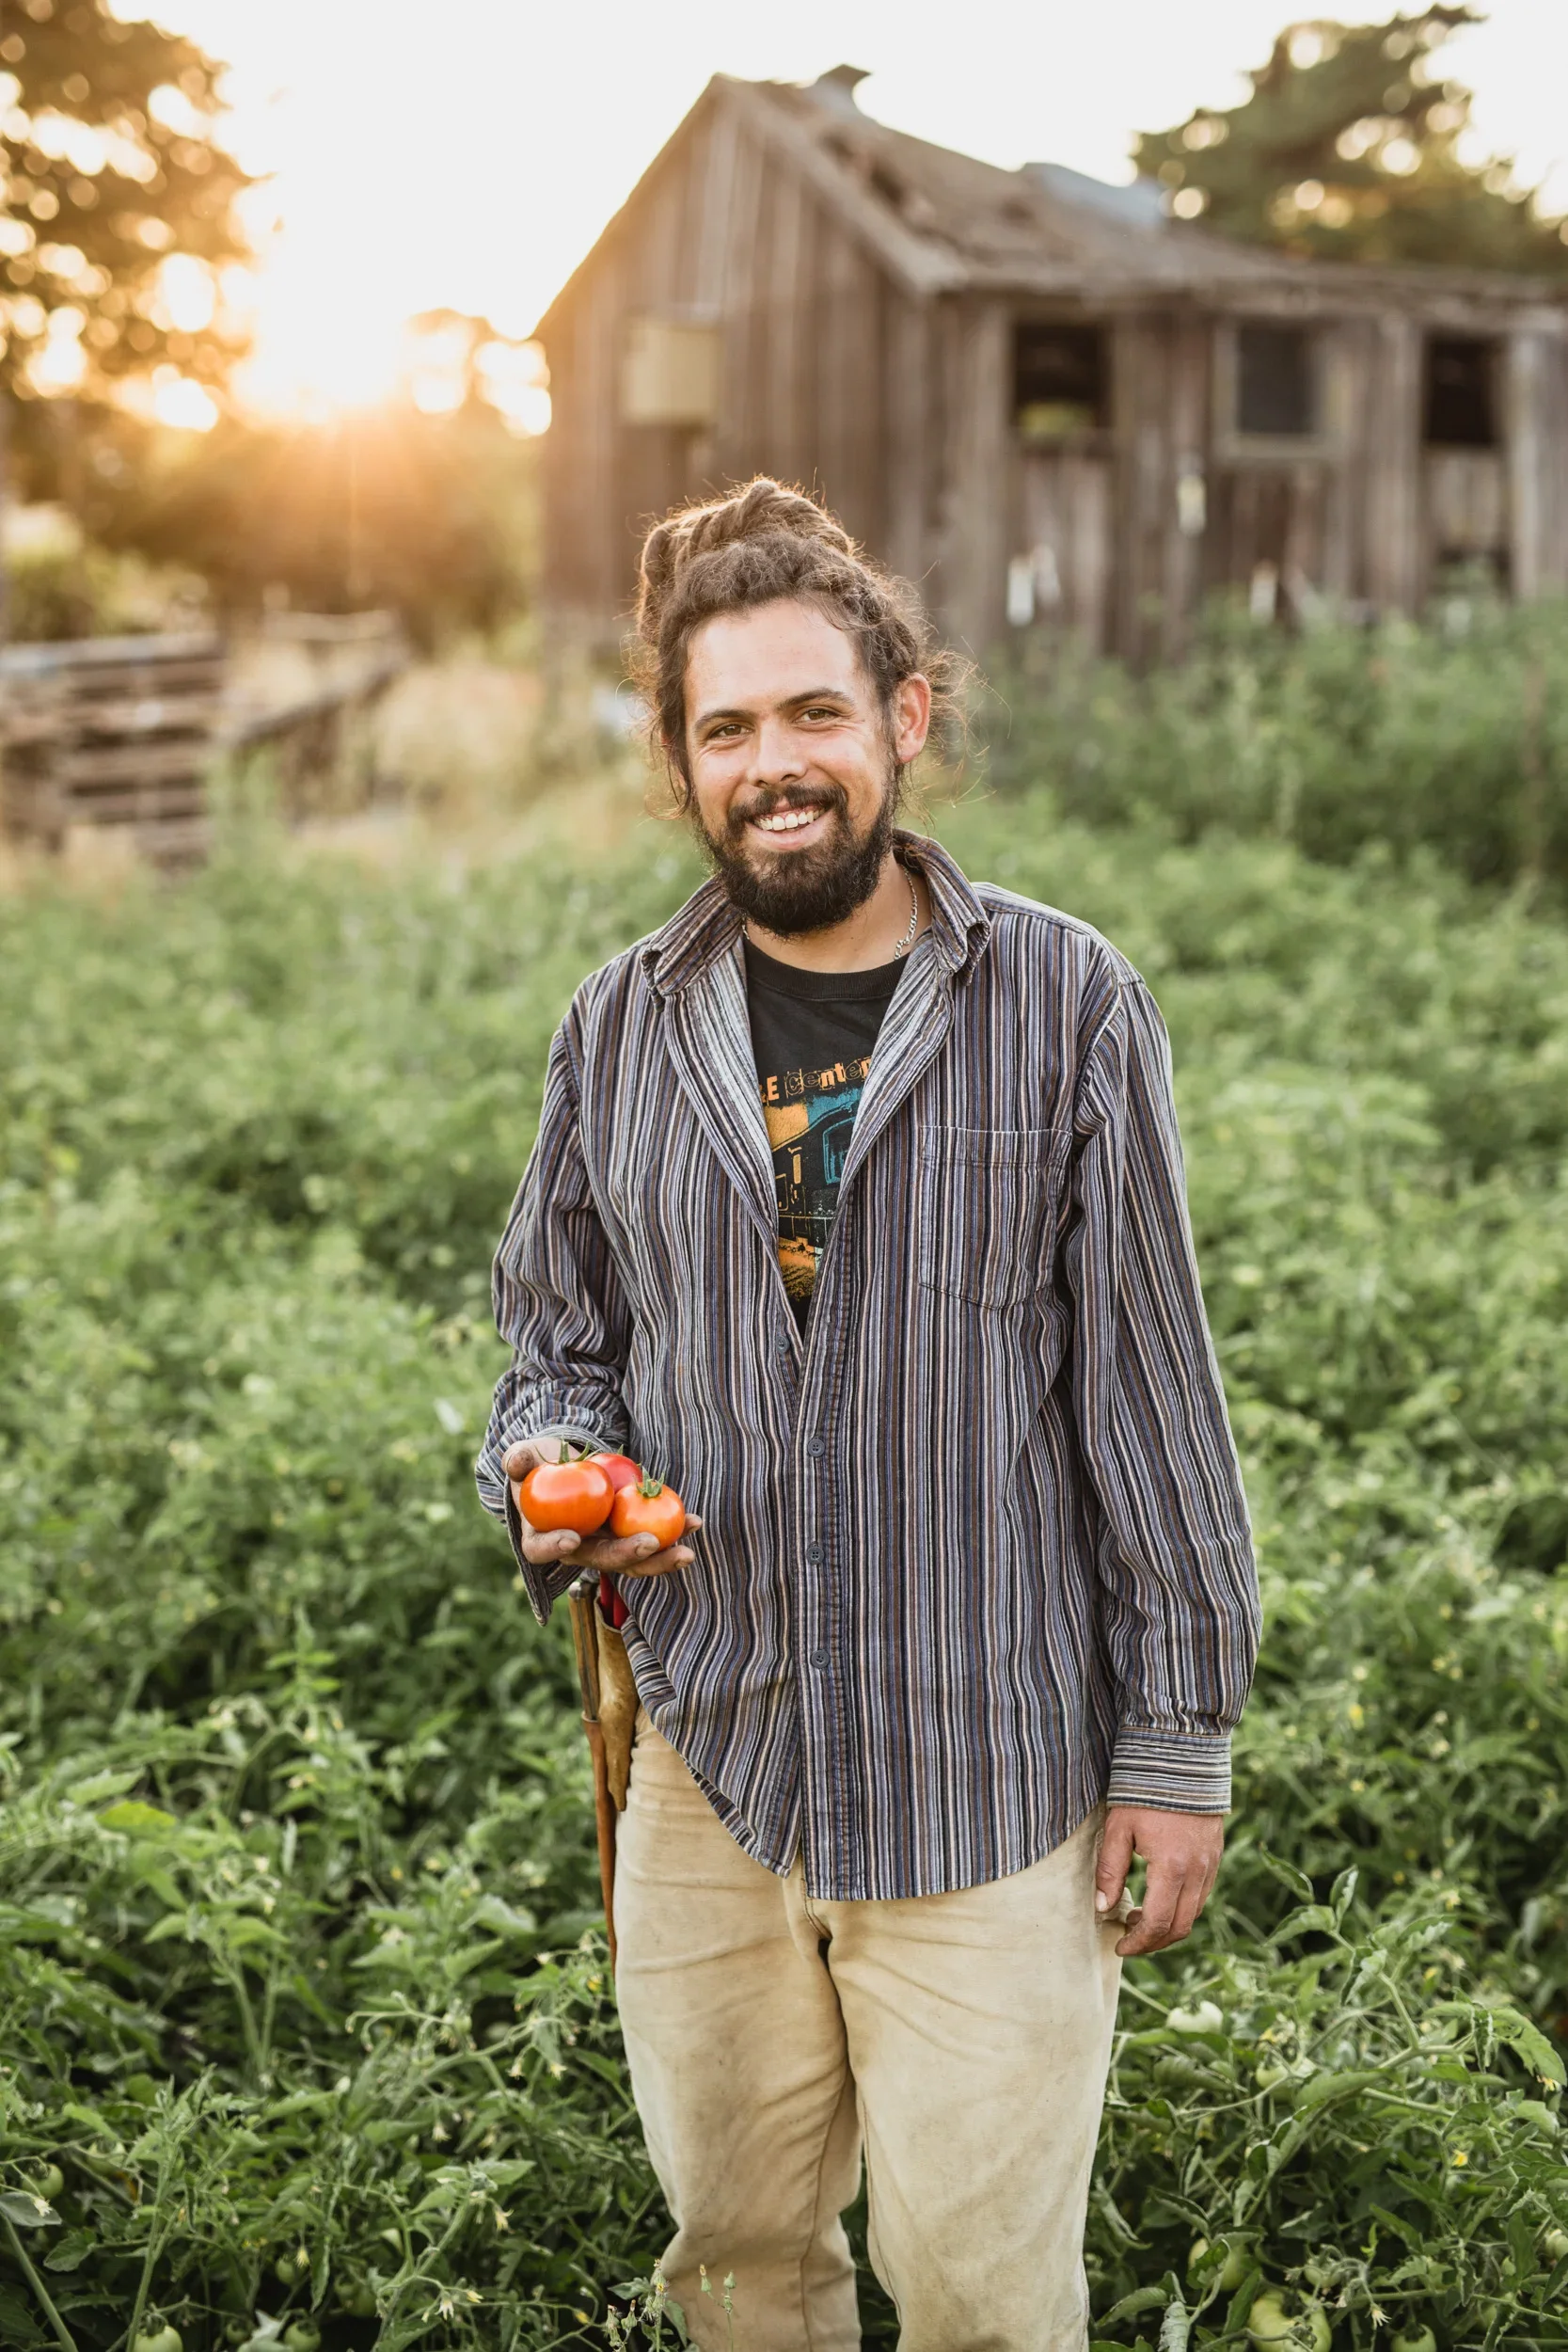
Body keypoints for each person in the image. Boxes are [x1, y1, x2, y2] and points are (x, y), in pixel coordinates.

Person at [477, 479, 1260, 2352]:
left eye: (813, 713)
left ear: (902, 717)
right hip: (708, 1757)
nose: (774, 765)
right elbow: (546, 1336)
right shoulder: (615, 1027)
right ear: (678, 762)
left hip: (983, 1770)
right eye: (724, 727)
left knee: (987, 2297)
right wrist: (547, 1462)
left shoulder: (1064, 1002)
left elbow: (1148, 1391)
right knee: (740, 2263)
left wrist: (1174, 1742)